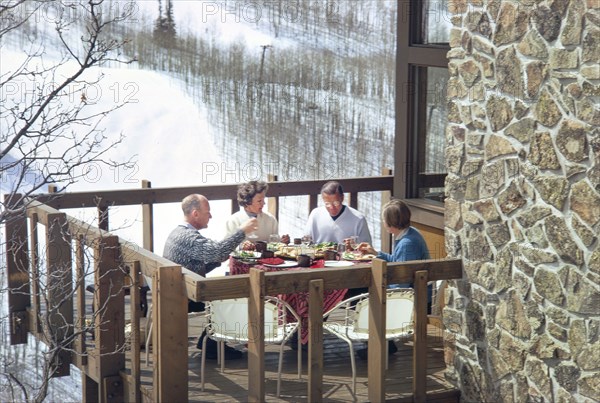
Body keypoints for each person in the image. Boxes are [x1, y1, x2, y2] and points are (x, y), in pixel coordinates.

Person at [163, 194, 258, 359]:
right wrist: (242, 231)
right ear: (195, 214)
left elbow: (204, 258)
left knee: (226, 288)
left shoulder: (178, 232)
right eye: (208, 212)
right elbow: (217, 251)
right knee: (234, 291)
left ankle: (211, 340)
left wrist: (216, 261)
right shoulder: (189, 238)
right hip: (184, 295)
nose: (211, 216)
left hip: (175, 289)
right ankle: (212, 344)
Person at [354, 199, 431, 359]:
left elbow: (401, 284)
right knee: (367, 291)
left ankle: (380, 347)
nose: (383, 223)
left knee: (366, 296)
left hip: (413, 296)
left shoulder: (407, 244)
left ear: (390, 224)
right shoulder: (409, 234)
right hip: (412, 289)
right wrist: (376, 253)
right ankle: (385, 343)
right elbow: (398, 263)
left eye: (384, 220)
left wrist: (377, 288)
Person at [304, 181, 372, 244]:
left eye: (336, 203)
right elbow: (306, 242)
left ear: (342, 198)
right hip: (319, 256)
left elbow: (366, 248)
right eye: (327, 204)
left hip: (348, 256)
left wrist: (353, 247)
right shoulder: (315, 214)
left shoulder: (358, 219)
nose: (332, 208)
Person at [224, 180, 290, 244]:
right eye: (259, 201)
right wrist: (243, 247)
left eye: (263, 199)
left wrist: (282, 242)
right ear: (247, 202)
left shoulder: (271, 219)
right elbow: (226, 248)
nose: (264, 203)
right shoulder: (233, 221)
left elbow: (275, 244)